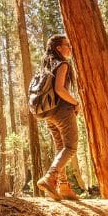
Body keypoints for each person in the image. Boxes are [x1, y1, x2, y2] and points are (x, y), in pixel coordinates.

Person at [36, 34, 81, 201]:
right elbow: (60, 90)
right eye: (67, 45)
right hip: (63, 111)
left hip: (49, 114)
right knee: (70, 148)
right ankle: (50, 177)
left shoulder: (45, 66)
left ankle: (63, 187)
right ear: (58, 48)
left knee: (61, 148)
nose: (70, 48)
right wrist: (76, 103)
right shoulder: (62, 64)